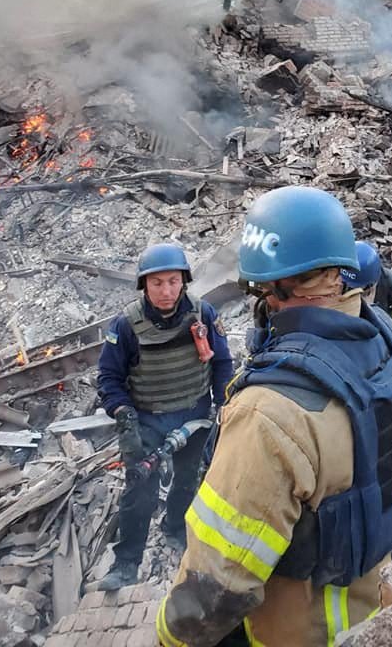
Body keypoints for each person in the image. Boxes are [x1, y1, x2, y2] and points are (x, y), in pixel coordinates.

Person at [156, 186, 392, 647]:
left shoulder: (269, 414)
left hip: (297, 630)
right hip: (370, 605)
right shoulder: (382, 342)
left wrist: (167, 637)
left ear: (273, 286)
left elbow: (217, 588)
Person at [97, 242, 233, 591]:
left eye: (173, 281)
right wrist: (124, 416)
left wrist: (224, 403)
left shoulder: (204, 315)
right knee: (140, 490)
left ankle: (175, 529)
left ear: (184, 281)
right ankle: (126, 563)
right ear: (144, 285)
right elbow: (109, 378)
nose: (166, 291)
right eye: (157, 283)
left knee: (189, 480)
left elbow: (221, 364)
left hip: (195, 415)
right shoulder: (126, 325)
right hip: (148, 419)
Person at [340, 241, 392, 334]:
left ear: (373, 284)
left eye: (358, 289)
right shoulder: (331, 282)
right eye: (344, 284)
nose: (350, 291)